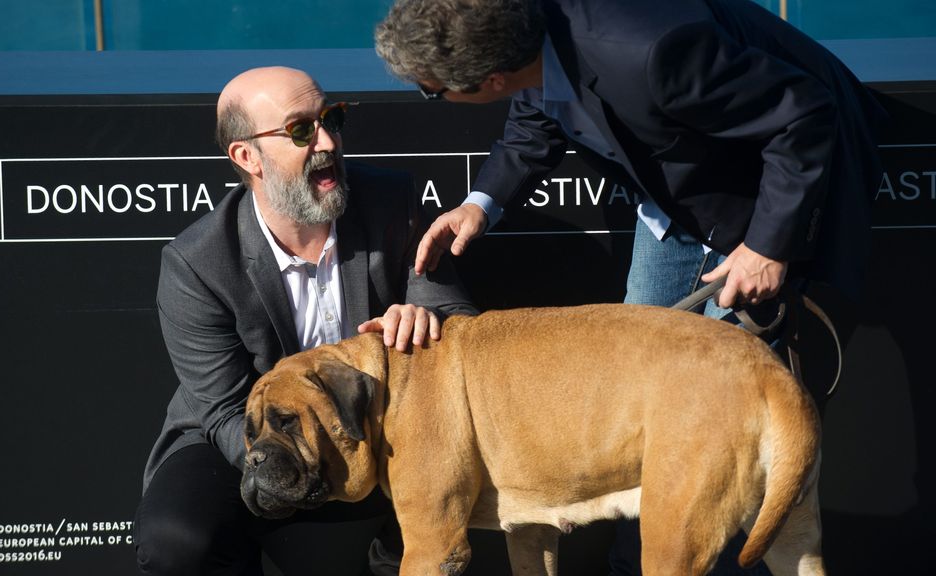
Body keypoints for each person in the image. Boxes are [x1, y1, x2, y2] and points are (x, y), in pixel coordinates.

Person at [375, 0, 885, 574]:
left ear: (488, 79)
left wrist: (769, 245)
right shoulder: (527, 38)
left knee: (718, 418)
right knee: (637, 411)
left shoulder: (651, 51)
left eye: (432, 91)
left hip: (775, 192)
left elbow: (803, 115)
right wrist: (479, 204)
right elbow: (537, 104)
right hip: (675, 206)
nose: (431, 99)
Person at [133, 66, 476, 576]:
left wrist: (427, 318)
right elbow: (225, 410)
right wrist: (307, 456)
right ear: (247, 156)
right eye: (300, 130)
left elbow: (460, 321)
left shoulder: (391, 202)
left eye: (331, 120)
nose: (327, 141)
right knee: (176, 540)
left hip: (380, 427)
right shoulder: (196, 262)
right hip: (257, 438)